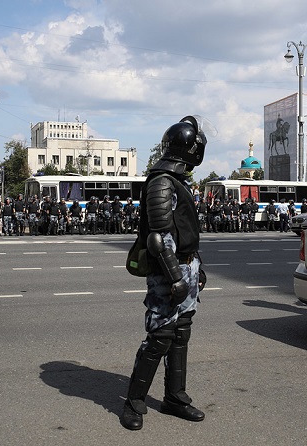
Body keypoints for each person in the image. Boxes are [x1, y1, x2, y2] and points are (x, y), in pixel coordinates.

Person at [121, 115, 208, 431]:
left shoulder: (178, 180)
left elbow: (182, 229)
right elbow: (158, 237)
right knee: (160, 337)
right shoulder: (161, 181)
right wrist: (175, 277)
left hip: (185, 264)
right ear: (187, 149)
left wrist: (197, 267)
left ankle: (175, 397)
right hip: (167, 271)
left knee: (181, 332)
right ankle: (134, 402)